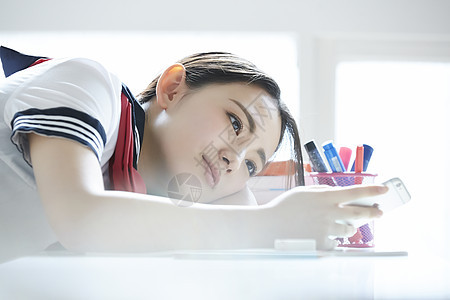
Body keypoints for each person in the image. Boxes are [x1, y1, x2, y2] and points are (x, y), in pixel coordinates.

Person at [0, 46, 386, 263]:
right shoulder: (88, 83)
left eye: (251, 163)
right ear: (172, 89)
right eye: (235, 123)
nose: (236, 159)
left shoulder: (136, 199)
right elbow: (80, 218)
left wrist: (241, 200)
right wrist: (269, 223)